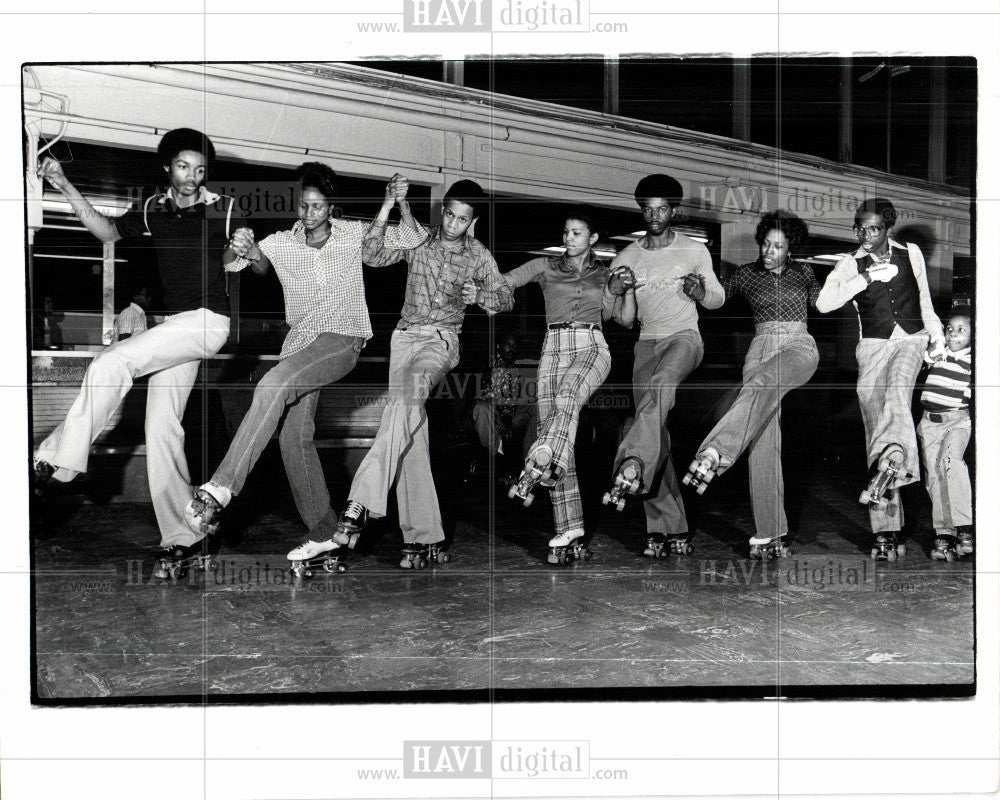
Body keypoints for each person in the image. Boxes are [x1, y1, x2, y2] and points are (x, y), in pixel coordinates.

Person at [182, 165, 425, 572]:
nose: (310, 214)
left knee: (272, 385)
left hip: (342, 339)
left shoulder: (351, 234)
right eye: (304, 206)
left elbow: (413, 236)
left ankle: (222, 486)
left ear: (331, 208)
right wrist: (240, 245)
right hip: (299, 347)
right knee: (293, 439)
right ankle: (325, 532)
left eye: (318, 207)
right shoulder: (281, 241)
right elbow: (235, 264)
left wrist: (397, 201)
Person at [33, 129, 248, 577]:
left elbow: (247, 261)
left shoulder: (224, 209)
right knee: (161, 428)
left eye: (201, 169)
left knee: (112, 361)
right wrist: (65, 185)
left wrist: (244, 250)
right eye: (184, 167)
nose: (192, 177)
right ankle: (188, 534)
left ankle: (57, 463)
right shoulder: (153, 208)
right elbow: (108, 233)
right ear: (167, 168)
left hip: (209, 322)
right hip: (177, 327)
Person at [320, 179, 514, 569]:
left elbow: (505, 298)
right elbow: (371, 254)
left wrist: (481, 297)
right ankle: (424, 535)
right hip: (403, 339)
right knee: (408, 428)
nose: (454, 224)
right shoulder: (418, 239)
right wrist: (388, 203)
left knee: (406, 404)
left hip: (441, 343)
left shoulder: (478, 255)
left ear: (472, 221)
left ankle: (361, 501)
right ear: (442, 211)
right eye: (449, 214)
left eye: (463, 219)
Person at [681, 211, 821, 560]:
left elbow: (823, 301)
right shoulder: (745, 274)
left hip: (798, 345)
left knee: (759, 384)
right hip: (760, 347)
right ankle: (770, 532)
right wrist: (700, 292)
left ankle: (714, 451)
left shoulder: (804, 272)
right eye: (765, 244)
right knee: (761, 439)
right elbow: (718, 298)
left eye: (778, 246)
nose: (769, 251)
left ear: (791, 249)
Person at [601, 174, 725, 556]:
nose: (654, 216)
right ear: (642, 211)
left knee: (658, 395)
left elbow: (717, 298)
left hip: (684, 338)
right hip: (646, 343)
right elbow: (617, 318)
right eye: (647, 209)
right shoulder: (627, 257)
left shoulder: (693, 251)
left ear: (673, 211)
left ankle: (630, 463)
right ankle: (668, 528)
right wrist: (613, 290)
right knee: (654, 426)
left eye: (662, 209)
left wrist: (701, 291)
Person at [816, 197, 945, 561]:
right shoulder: (849, 263)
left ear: (888, 228)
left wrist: (935, 337)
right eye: (859, 227)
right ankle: (885, 530)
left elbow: (924, 301)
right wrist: (865, 277)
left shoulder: (911, 252)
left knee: (897, 393)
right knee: (877, 425)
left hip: (911, 339)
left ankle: (891, 461)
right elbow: (825, 303)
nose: (864, 234)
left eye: (872, 228)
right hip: (872, 348)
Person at [502, 211, 614, 564]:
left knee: (566, 400)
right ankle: (570, 528)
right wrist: (483, 287)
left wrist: (622, 291)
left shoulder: (605, 273)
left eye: (577, 233)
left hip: (592, 343)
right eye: (565, 232)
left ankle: (535, 467)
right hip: (553, 346)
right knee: (555, 427)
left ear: (592, 238)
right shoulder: (545, 266)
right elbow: (506, 280)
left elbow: (620, 316)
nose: (568, 238)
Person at [920, 311, 973, 561]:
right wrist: (936, 342)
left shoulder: (974, 360)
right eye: (950, 328)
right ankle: (944, 532)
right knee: (934, 476)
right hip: (929, 423)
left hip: (957, 421)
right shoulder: (938, 352)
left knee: (951, 464)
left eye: (962, 329)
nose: (954, 333)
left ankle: (965, 527)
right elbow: (926, 354)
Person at [470, 331, 535, 484]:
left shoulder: (513, 370)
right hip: (489, 413)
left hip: (508, 415)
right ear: (499, 346)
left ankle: (530, 459)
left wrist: (509, 419)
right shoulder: (487, 365)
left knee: (536, 407)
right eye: (508, 345)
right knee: (483, 409)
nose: (512, 349)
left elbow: (512, 401)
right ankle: (500, 458)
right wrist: (504, 423)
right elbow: (486, 398)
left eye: (514, 346)